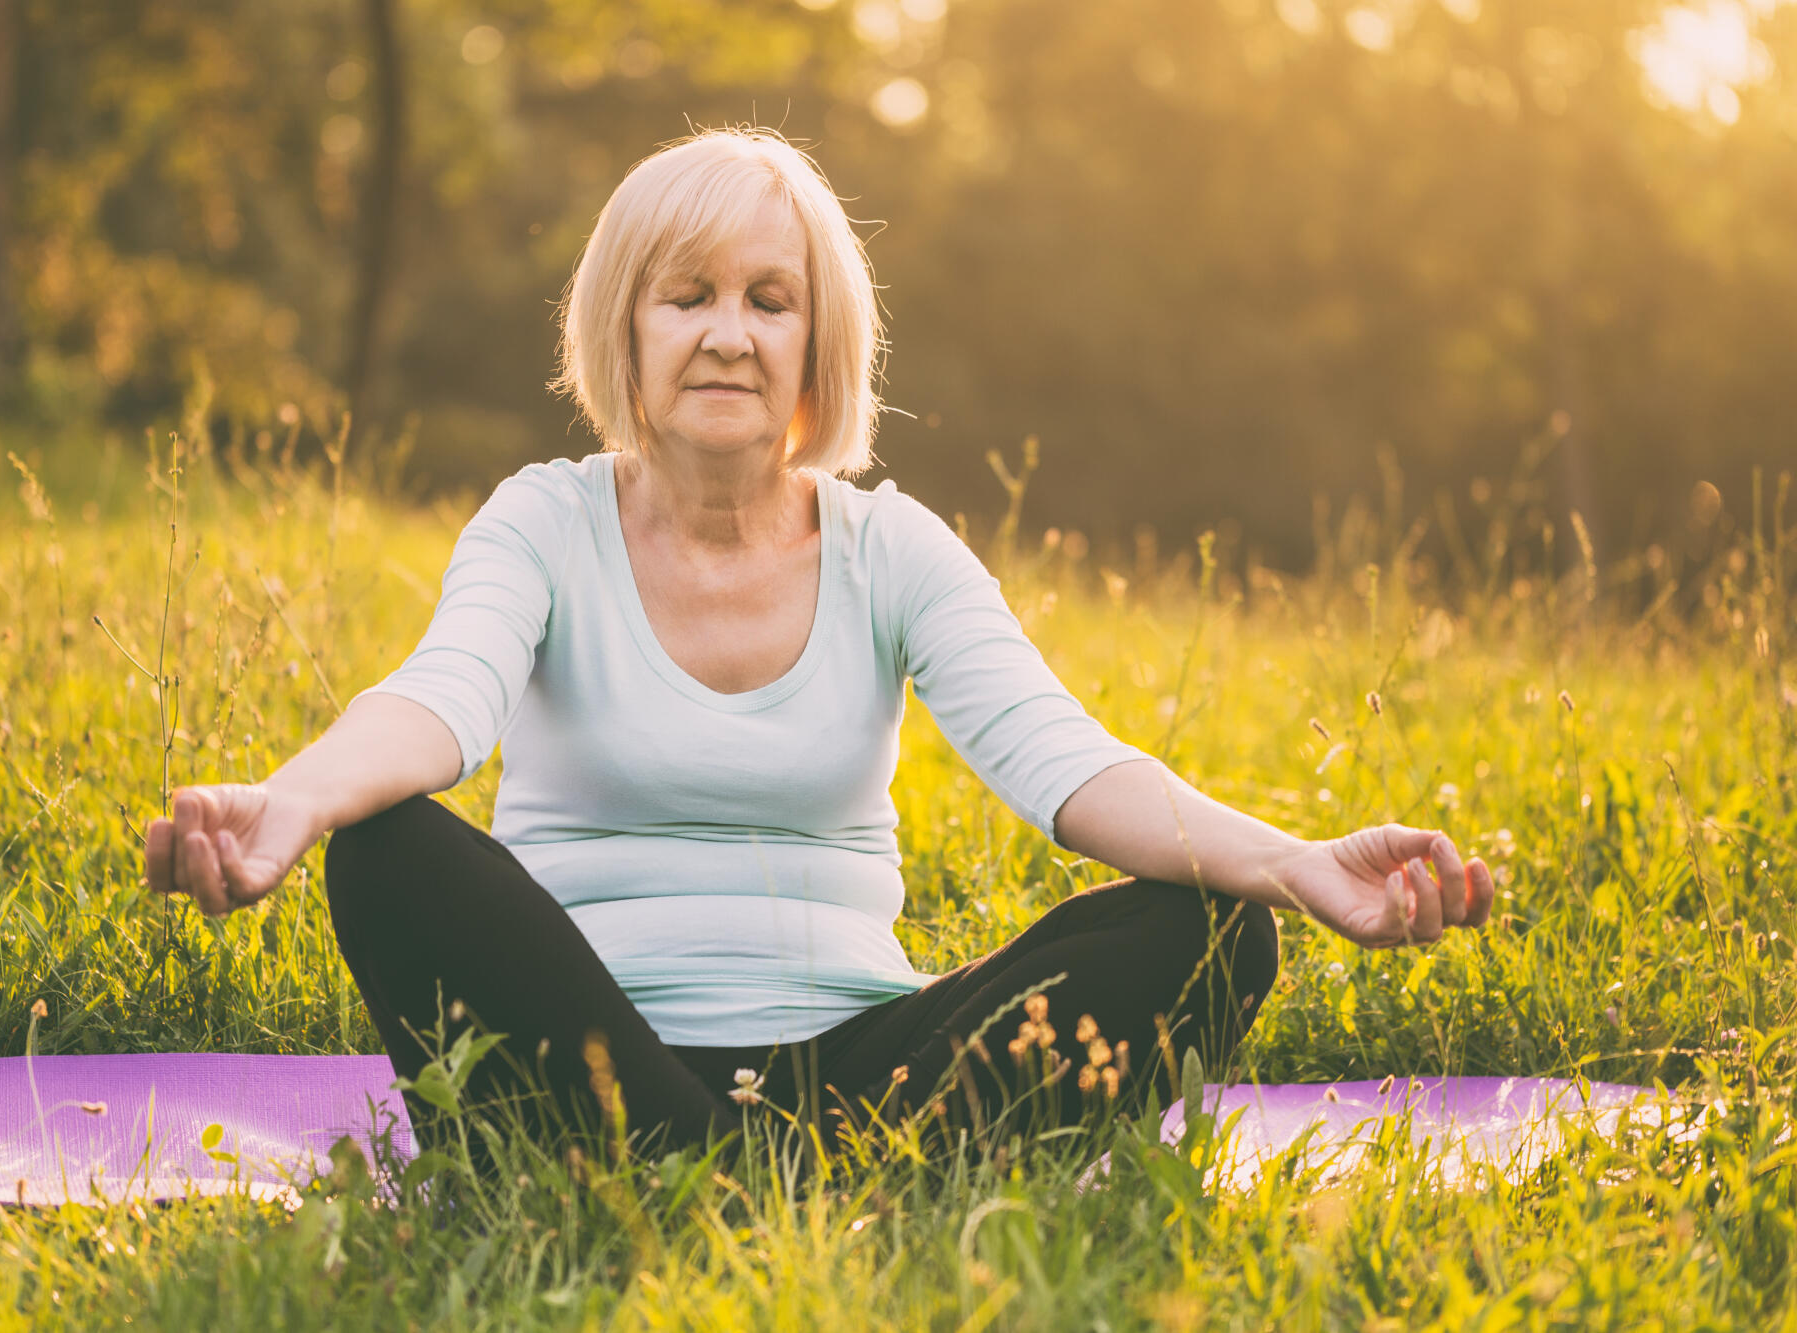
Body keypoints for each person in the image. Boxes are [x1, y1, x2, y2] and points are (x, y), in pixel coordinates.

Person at [141, 127, 1493, 1160]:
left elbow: (1072, 769)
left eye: (768, 301)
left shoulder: (888, 547)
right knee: (390, 850)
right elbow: (437, 700)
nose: (728, 333)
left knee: (1215, 931)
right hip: (597, 1049)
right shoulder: (542, 522)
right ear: (627, 325)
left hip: (865, 1068)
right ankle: (750, 1170)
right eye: (687, 297)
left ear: (814, 341)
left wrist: (1299, 865)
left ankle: (714, 1175)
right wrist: (296, 803)